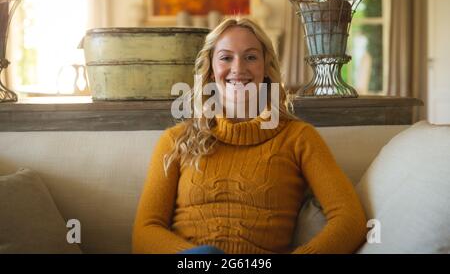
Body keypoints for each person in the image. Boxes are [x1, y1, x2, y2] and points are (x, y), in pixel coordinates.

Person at [132, 17, 367, 254]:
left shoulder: (299, 138)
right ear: (211, 70)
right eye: (226, 57)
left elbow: (351, 220)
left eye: (251, 57)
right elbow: (145, 230)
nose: (238, 68)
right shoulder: (176, 140)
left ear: (265, 67)